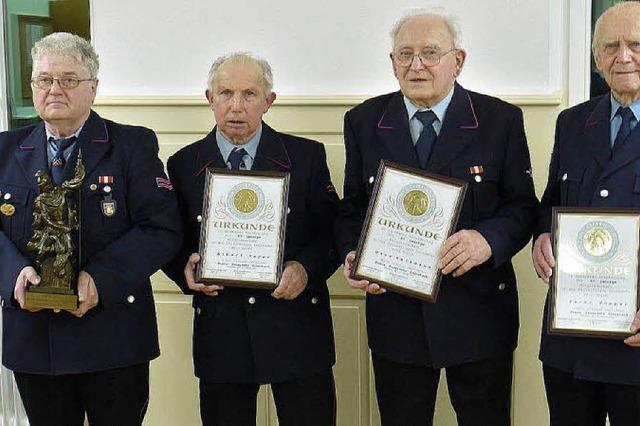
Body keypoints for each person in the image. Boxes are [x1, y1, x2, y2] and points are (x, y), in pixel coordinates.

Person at [335, 9, 538, 426]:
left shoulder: (500, 120)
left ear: (457, 61)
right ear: (392, 63)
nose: (417, 65)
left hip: (479, 313)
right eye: (404, 54)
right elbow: (352, 207)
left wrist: (488, 241)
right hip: (397, 317)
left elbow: (522, 207)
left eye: (430, 53)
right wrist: (353, 252)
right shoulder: (363, 122)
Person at [0, 32, 181, 426]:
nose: (55, 90)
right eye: (44, 80)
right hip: (35, 341)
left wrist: (102, 277)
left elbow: (161, 227)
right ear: (32, 86)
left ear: (93, 88)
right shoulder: (5, 150)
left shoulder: (131, 145)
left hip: (112, 338)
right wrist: (12, 273)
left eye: (68, 79)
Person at [162, 52, 339, 426]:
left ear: (269, 101)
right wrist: (184, 268)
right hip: (222, 332)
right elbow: (167, 236)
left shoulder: (306, 157)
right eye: (225, 93)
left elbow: (333, 232)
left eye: (249, 94)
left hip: (296, 328)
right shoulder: (183, 164)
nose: (236, 106)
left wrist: (306, 269)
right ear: (209, 99)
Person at [532, 2, 640, 425]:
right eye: (610, 46)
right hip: (570, 340)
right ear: (597, 60)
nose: (623, 56)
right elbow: (551, 203)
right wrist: (543, 235)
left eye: (635, 44)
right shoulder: (573, 123)